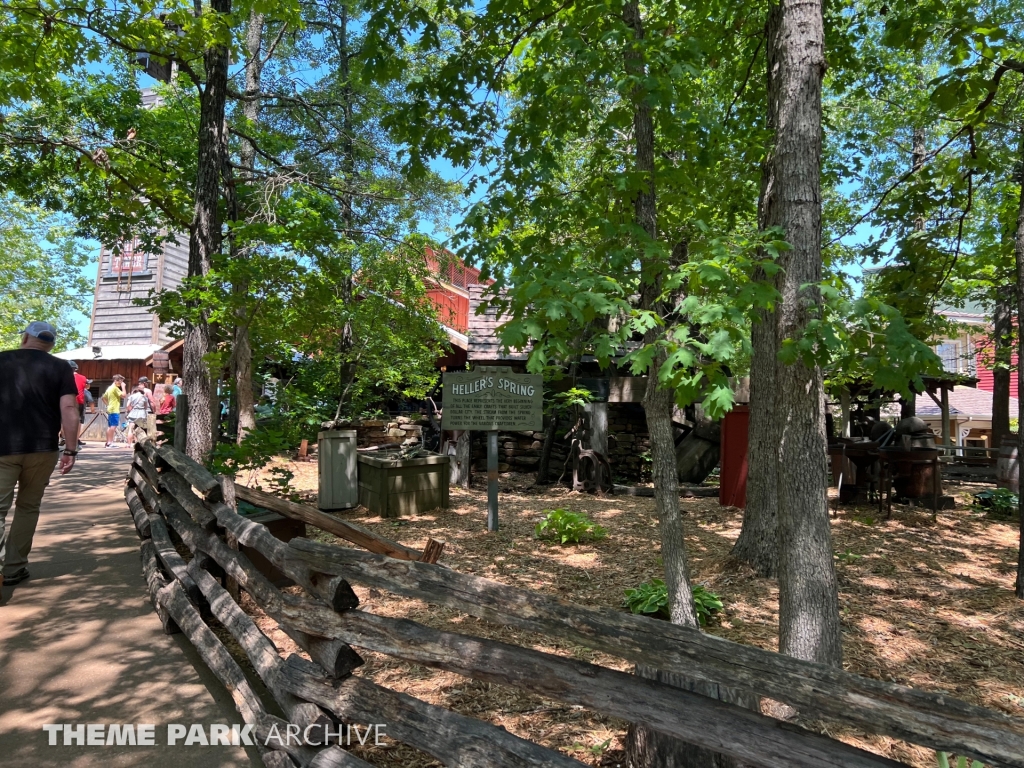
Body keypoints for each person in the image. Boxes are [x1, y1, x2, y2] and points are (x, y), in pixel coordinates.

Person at [0, 321, 79, 590]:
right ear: (51, 344)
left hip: (2, 448)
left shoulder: (2, 361)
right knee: (28, 506)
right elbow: (69, 408)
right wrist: (70, 449)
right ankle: (13, 568)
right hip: (42, 448)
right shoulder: (60, 367)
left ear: (25, 338)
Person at [101, 375, 126, 447]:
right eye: (120, 381)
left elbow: (103, 398)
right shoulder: (115, 388)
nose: (121, 383)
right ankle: (110, 442)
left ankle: (108, 442)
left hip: (110, 408)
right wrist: (123, 387)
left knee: (110, 426)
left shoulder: (109, 388)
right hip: (114, 409)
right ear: (115, 381)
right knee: (113, 426)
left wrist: (108, 404)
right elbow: (124, 395)